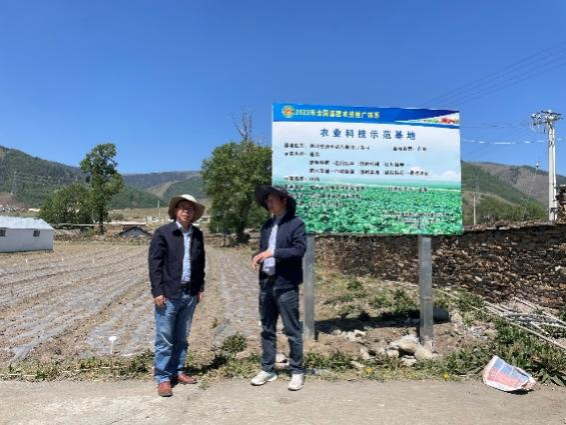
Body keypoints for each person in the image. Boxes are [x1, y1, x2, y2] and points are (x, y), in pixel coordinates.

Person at [148, 194, 206, 397]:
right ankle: (163, 378)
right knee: (165, 338)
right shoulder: (163, 233)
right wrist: (157, 291)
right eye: (182, 207)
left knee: (182, 337)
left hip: (190, 293)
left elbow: (200, 264)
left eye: (190, 208)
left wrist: (200, 288)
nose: (186, 211)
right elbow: (155, 264)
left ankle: (177, 371)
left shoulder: (197, 234)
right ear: (175, 210)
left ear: (194, 212)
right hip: (169, 293)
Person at [250, 185, 307, 391]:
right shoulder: (266, 226)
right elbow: (262, 251)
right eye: (267, 200)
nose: (269, 202)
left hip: (286, 284)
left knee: (292, 330)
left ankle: (297, 370)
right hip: (266, 283)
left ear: (284, 201)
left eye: (273, 199)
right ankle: (267, 369)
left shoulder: (296, 224)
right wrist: (256, 257)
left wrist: (273, 252)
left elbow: (299, 250)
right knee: (267, 329)